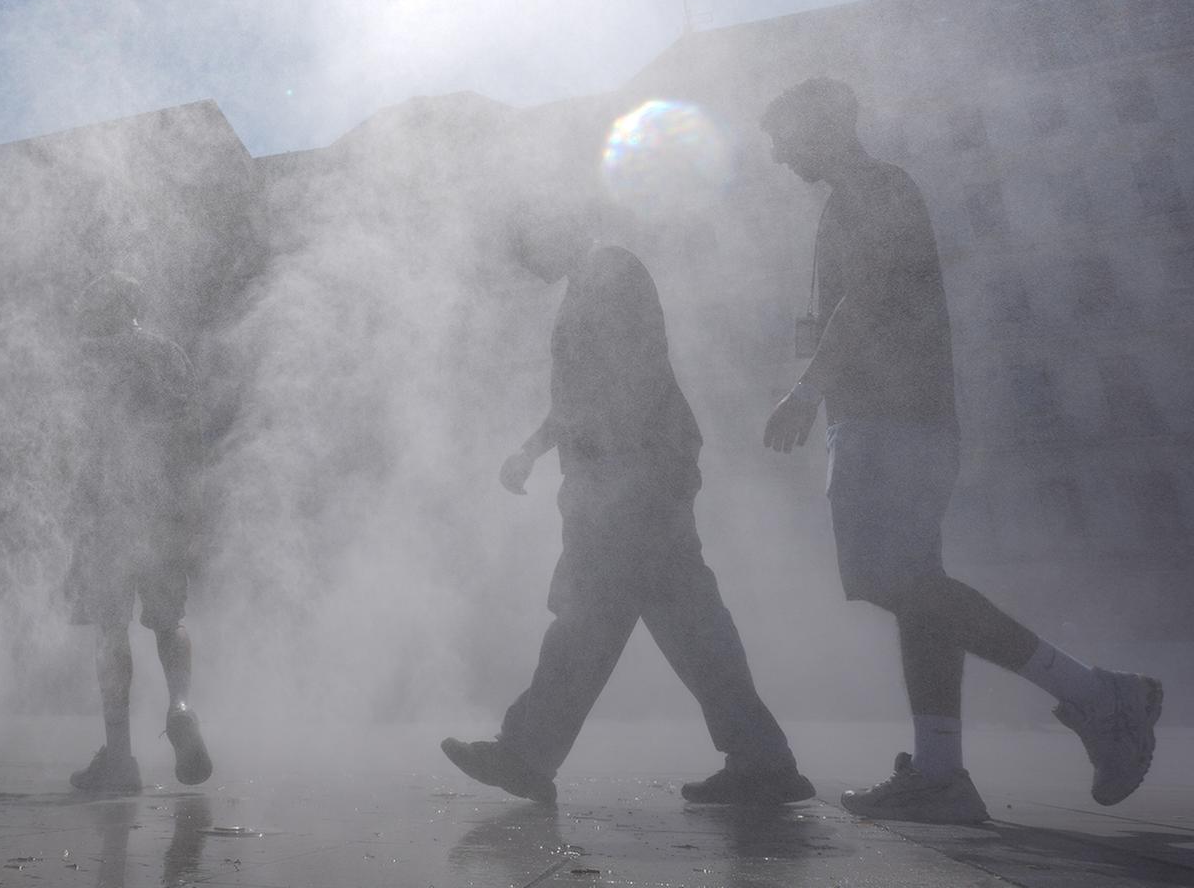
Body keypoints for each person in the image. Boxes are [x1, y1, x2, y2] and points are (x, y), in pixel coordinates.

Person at [760, 77, 1162, 823]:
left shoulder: (878, 188)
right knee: (917, 589)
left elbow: (871, 296)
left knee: (888, 579)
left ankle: (1100, 696)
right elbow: (836, 311)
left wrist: (809, 392)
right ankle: (943, 770)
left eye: (784, 137)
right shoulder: (845, 204)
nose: (779, 155)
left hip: (894, 417)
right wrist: (814, 381)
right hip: (886, 417)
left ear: (822, 127)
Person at [442, 217, 813, 807]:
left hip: (633, 481)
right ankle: (763, 759)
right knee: (680, 624)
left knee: (595, 617)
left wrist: (617, 480)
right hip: (628, 479)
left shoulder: (612, 273)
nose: (525, 265)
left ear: (553, 226)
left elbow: (628, 382)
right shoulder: (589, 282)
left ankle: (527, 753)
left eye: (525, 248)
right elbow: (577, 399)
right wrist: (533, 451)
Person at [63, 272, 213, 793]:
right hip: (163, 508)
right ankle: (181, 707)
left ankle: (120, 758)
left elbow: (75, 440)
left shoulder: (87, 358)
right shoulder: (170, 354)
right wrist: (190, 512)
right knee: (170, 622)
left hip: (106, 513)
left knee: (110, 630)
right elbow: (192, 436)